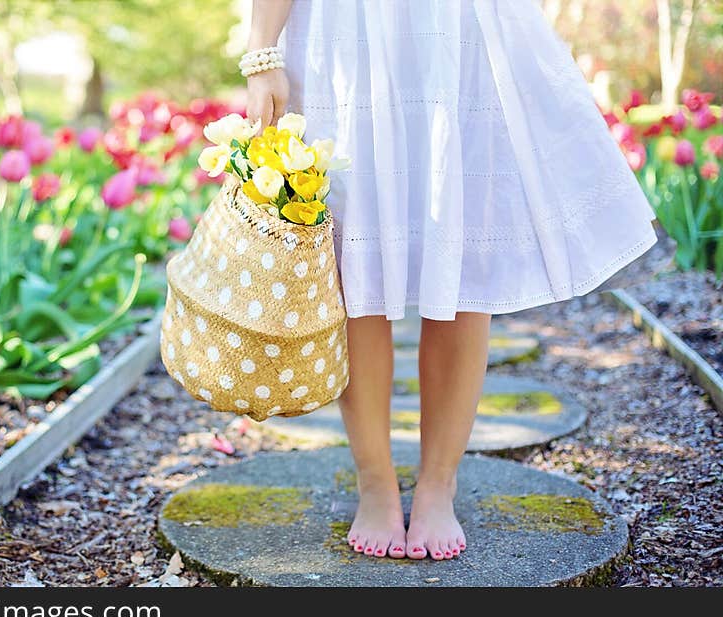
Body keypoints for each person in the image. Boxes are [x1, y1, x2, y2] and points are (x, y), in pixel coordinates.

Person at [243, 0, 657, 560]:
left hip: (458, 27)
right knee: (350, 254)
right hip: (343, 30)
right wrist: (261, 51)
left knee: (461, 245)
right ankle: (375, 482)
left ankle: (439, 482)